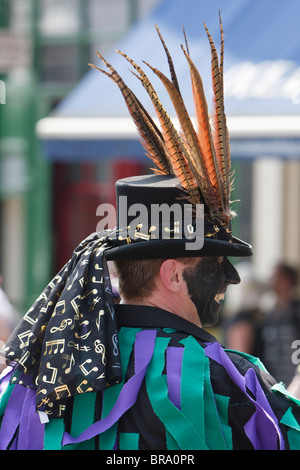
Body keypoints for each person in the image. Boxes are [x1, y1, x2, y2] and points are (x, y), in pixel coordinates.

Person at [1, 18, 300, 451]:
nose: (230, 279)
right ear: (173, 275)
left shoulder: (35, 375)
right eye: (216, 265)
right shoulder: (230, 379)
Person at [259, 263, 300, 386]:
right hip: (275, 384)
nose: (271, 280)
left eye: (275, 276)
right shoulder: (269, 313)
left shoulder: (296, 311)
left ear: (287, 280)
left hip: (295, 383)